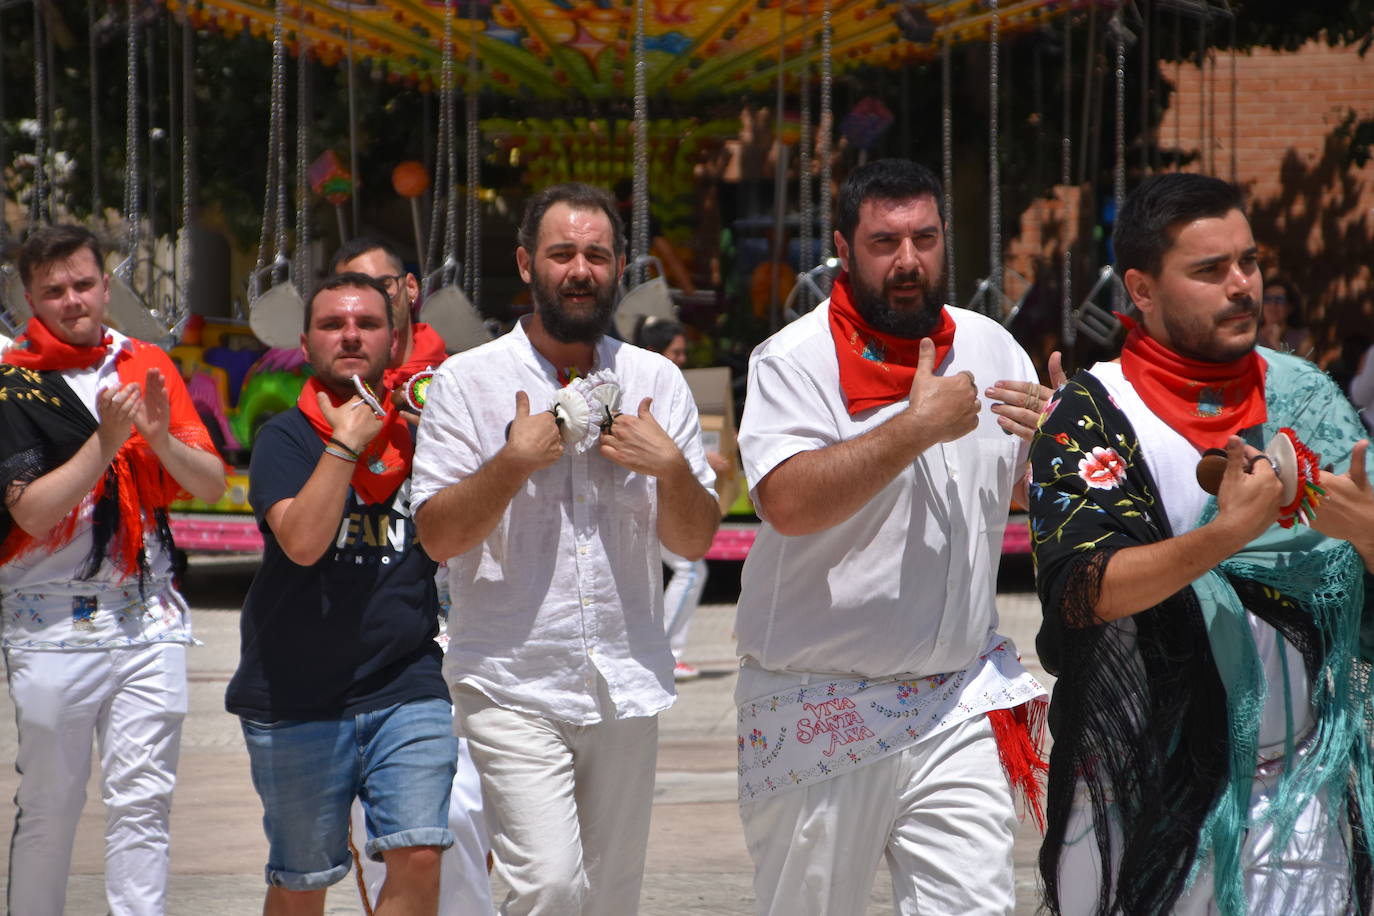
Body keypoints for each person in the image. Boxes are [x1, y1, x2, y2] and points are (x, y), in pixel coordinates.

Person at [1028, 172, 1374, 915]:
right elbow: (1084, 590)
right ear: (1141, 290)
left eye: (1248, 262)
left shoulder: (1306, 398)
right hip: (1144, 801)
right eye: (1210, 271)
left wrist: (1367, 535)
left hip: (1297, 801)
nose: (1242, 285)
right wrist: (1223, 537)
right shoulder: (1094, 411)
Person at [733, 158, 1056, 915]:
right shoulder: (792, 360)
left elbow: (1015, 485)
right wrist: (912, 428)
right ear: (844, 247)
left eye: (925, 238)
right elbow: (784, 501)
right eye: (885, 241)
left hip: (955, 702)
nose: (908, 261)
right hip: (819, 704)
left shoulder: (990, 345)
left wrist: (1058, 448)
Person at [411, 182, 721, 914]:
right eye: (561, 254)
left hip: (626, 677)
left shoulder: (655, 381)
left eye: (596, 255)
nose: (579, 270)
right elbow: (437, 537)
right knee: (548, 885)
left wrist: (671, 467)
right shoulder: (467, 383)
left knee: (610, 897)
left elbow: (694, 537)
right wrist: (513, 462)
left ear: (619, 269)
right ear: (526, 264)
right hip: (512, 679)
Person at [0, 225, 226, 915]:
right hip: (50, 624)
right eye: (54, 290)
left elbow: (211, 482)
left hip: (145, 620)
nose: (73, 301)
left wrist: (158, 438)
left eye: (83, 284)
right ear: (30, 297)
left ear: (105, 284)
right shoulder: (12, 383)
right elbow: (32, 514)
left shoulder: (145, 362)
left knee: (144, 804)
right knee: (50, 807)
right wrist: (107, 441)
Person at [225, 273, 458, 915]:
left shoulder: (427, 431)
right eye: (332, 325)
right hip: (295, 694)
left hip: (405, 682)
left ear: (394, 339)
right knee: (302, 881)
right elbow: (301, 542)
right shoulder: (284, 438)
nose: (350, 335)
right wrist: (345, 445)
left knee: (420, 852)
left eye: (367, 324)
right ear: (306, 342)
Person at [330, 241, 493, 915]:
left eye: (383, 285)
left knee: (469, 822)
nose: (370, 299)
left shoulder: (464, 379)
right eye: (353, 290)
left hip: (475, 636)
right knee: (408, 831)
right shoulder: (323, 399)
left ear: (411, 290)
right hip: (379, 658)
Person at [633, 316, 731, 680]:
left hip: (659, 499)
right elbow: (653, 441)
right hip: (647, 497)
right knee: (690, 569)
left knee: (686, 570)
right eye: (676, 352)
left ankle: (664, 651)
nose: (683, 359)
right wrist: (702, 458)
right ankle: (668, 653)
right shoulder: (644, 386)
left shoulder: (665, 384)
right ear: (653, 352)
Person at [330, 235, 449, 386]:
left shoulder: (453, 379)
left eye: (384, 285)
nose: (375, 302)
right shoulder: (324, 395)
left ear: (410, 287)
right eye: (357, 292)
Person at [1257, 276, 1313, 358]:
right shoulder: (1251, 335)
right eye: (1268, 299)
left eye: (1279, 300)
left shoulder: (1302, 339)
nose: (1273, 305)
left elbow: (1302, 370)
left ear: (1290, 307)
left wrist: (1275, 343)